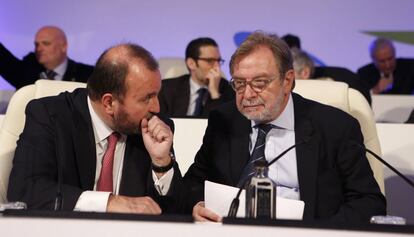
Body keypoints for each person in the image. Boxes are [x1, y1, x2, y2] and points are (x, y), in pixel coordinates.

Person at [183, 31, 386, 223]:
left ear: (287, 81)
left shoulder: (334, 127)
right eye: (239, 83)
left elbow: (368, 202)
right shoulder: (224, 120)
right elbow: (193, 184)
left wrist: (318, 233)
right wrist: (196, 205)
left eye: (259, 83)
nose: (247, 95)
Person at [8, 43, 181, 214]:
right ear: (109, 103)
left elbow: (174, 209)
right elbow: (25, 191)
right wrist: (108, 202)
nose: (156, 108)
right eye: (147, 98)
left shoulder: (155, 126)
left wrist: (161, 164)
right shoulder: (50, 116)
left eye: (157, 94)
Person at [158, 37, 234, 118]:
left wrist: (214, 93)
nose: (217, 67)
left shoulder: (228, 90)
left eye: (218, 61)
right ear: (191, 64)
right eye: (210, 61)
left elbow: (224, 124)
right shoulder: (166, 89)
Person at [0, 26, 93, 89]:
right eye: (36, 44)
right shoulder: (26, 71)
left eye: (46, 43)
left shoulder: (88, 75)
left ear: (64, 46)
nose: (39, 49)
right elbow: (3, 60)